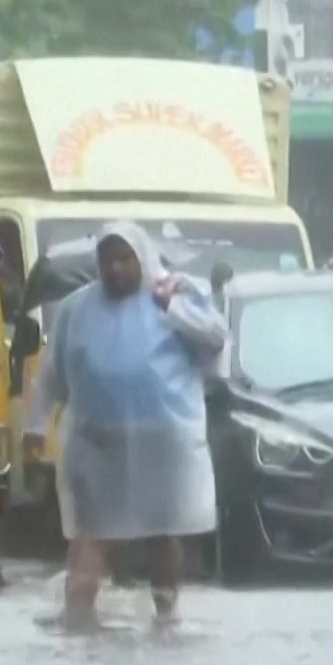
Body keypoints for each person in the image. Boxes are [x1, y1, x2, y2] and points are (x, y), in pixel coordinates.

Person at [23, 222, 228, 628]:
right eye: (107, 260)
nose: (115, 268)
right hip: (97, 445)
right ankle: (78, 617)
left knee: (162, 532)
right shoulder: (76, 309)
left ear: (142, 259)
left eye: (124, 259)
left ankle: (166, 616)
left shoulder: (173, 295)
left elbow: (215, 339)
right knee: (91, 532)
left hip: (162, 442)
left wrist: (173, 306)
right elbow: (51, 374)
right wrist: (36, 426)